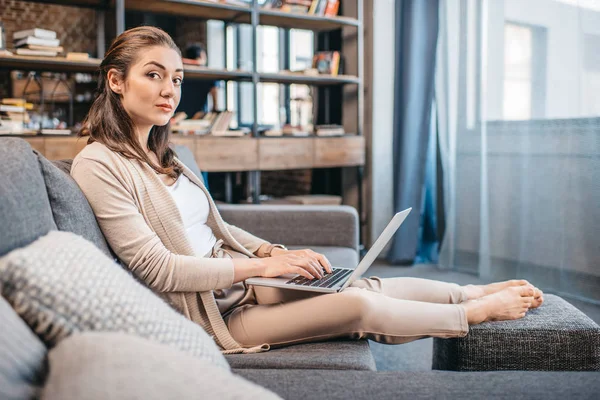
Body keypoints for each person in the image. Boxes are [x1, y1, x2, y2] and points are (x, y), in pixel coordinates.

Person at [72, 26, 544, 354]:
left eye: (176, 78)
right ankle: (473, 316)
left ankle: (467, 292)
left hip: (241, 284)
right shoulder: (99, 163)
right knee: (356, 304)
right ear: (115, 80)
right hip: (212, 316)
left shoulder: (165, 155)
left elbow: (213, 226)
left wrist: (275, 252)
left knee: (352, 280)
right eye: (153, 74)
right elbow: (159, 269)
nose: (170, 90)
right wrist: (263, 266)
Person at [176, 43, 219, 116]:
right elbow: (214, 96)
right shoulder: (208, 75)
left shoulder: (180, 72)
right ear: (201, 55)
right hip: (198, 116)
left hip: (178, 115)